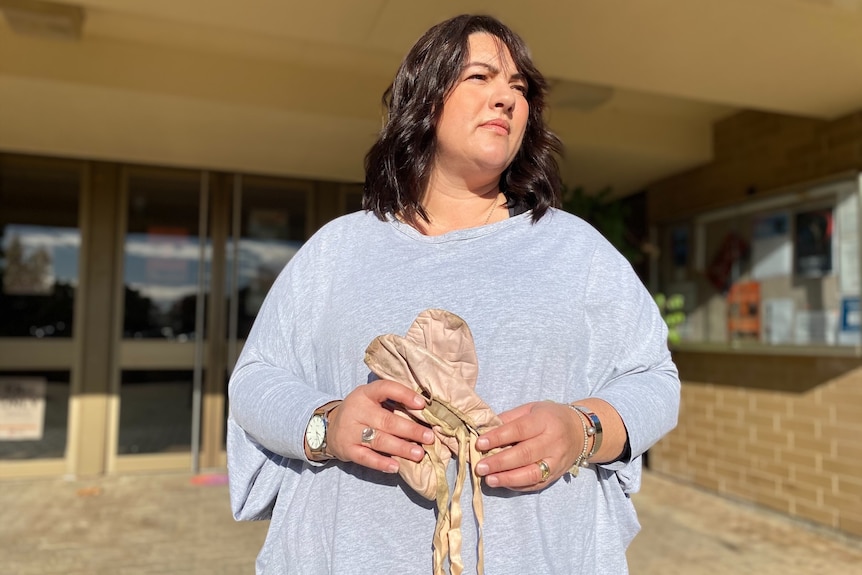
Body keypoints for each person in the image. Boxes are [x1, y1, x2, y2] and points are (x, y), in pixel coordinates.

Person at [227, 13, 680, 575]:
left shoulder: (574, 250)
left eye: (518, 88)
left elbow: (654, 380)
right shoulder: (337, 250)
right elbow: (255, 380)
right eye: (481, 78)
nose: (507, 99)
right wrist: (325, 424)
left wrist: (583, 430)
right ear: (426, 95)